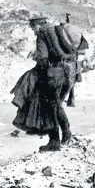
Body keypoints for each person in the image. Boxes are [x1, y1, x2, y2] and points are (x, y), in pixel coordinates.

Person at [25, 16, 76, 152]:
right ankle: (66, 133)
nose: (33, 31)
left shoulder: (42, 33)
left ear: (37, 25)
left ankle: (54, 142)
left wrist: (38, 73)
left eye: (33, 28)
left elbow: (42, 58)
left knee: (49, 108)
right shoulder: (55, 30)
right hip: (68, 72)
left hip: (53, 75)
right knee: (57, 105)